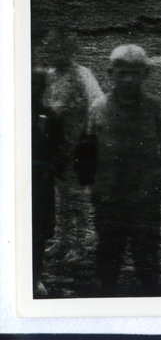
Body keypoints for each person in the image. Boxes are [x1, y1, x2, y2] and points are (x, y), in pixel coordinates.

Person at [74, 44, 161, 296]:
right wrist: (90, 181)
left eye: (135, 72)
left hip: (144, 194)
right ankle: (108, 293)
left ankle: (150, 296)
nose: (128, 79)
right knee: (109, 247)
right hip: (109, 194)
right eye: (121, 73)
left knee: (146, 248)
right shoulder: (99, 107)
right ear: (110, 73)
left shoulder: (154, 108)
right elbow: (86, 146)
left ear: (146, 74)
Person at [42, 28, 105, 263]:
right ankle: (63, 239)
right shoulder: (49, 76)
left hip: (79, 145)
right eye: (49, 47)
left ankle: (82, 243)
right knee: (61, 196)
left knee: (78, 195)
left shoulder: (82, 75)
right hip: (58, 147)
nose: (53, 52)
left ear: (70, 50)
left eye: (59, 48)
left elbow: (98, 105)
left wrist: (90, 140)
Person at [31, 67, 67, 296]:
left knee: (37, 233)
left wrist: (49, 169)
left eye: (38, 84)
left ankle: (35, 278)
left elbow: (61, 149)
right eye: (29, 83)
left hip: (39, 186)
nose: (33, 89)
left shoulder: (49, 116)